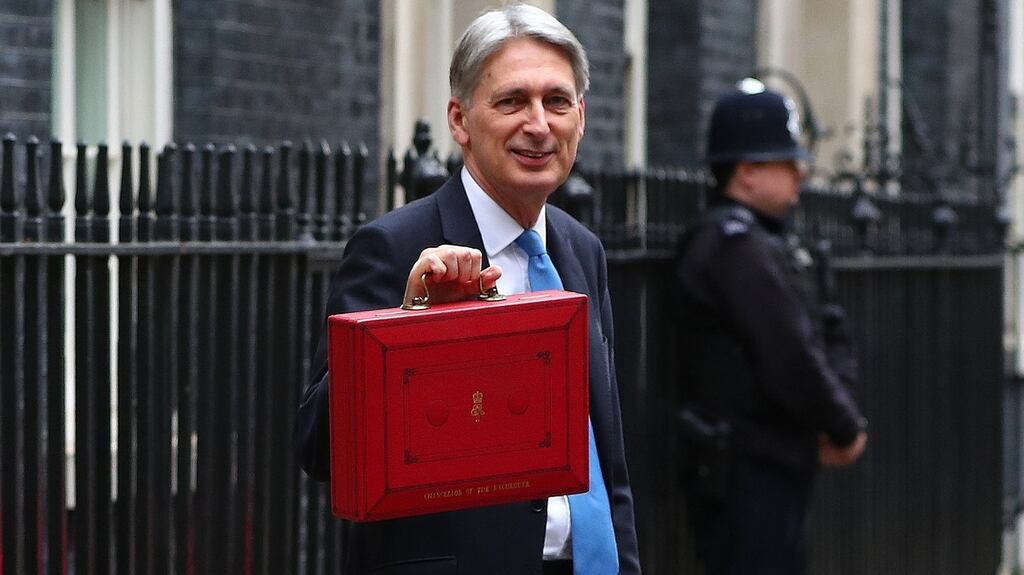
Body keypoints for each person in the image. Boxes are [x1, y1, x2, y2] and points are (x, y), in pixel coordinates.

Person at [294, 5, 641, 574]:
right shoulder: (395, 244)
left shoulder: (583, 250)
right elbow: (318, 447)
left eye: (557, 101)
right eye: (511, 102)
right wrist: (412, 323)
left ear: (581, 116)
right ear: (460, 120)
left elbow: (604, 451)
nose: (538, 124)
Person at [673, 79, 868, 575]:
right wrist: (844, 426)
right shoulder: (734, 246)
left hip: (769, 461)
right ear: (748, 170)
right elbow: (790, 354)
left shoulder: (762, 242)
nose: (801, 174)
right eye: (787, 162)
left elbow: (821, 330)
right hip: (747, 469)